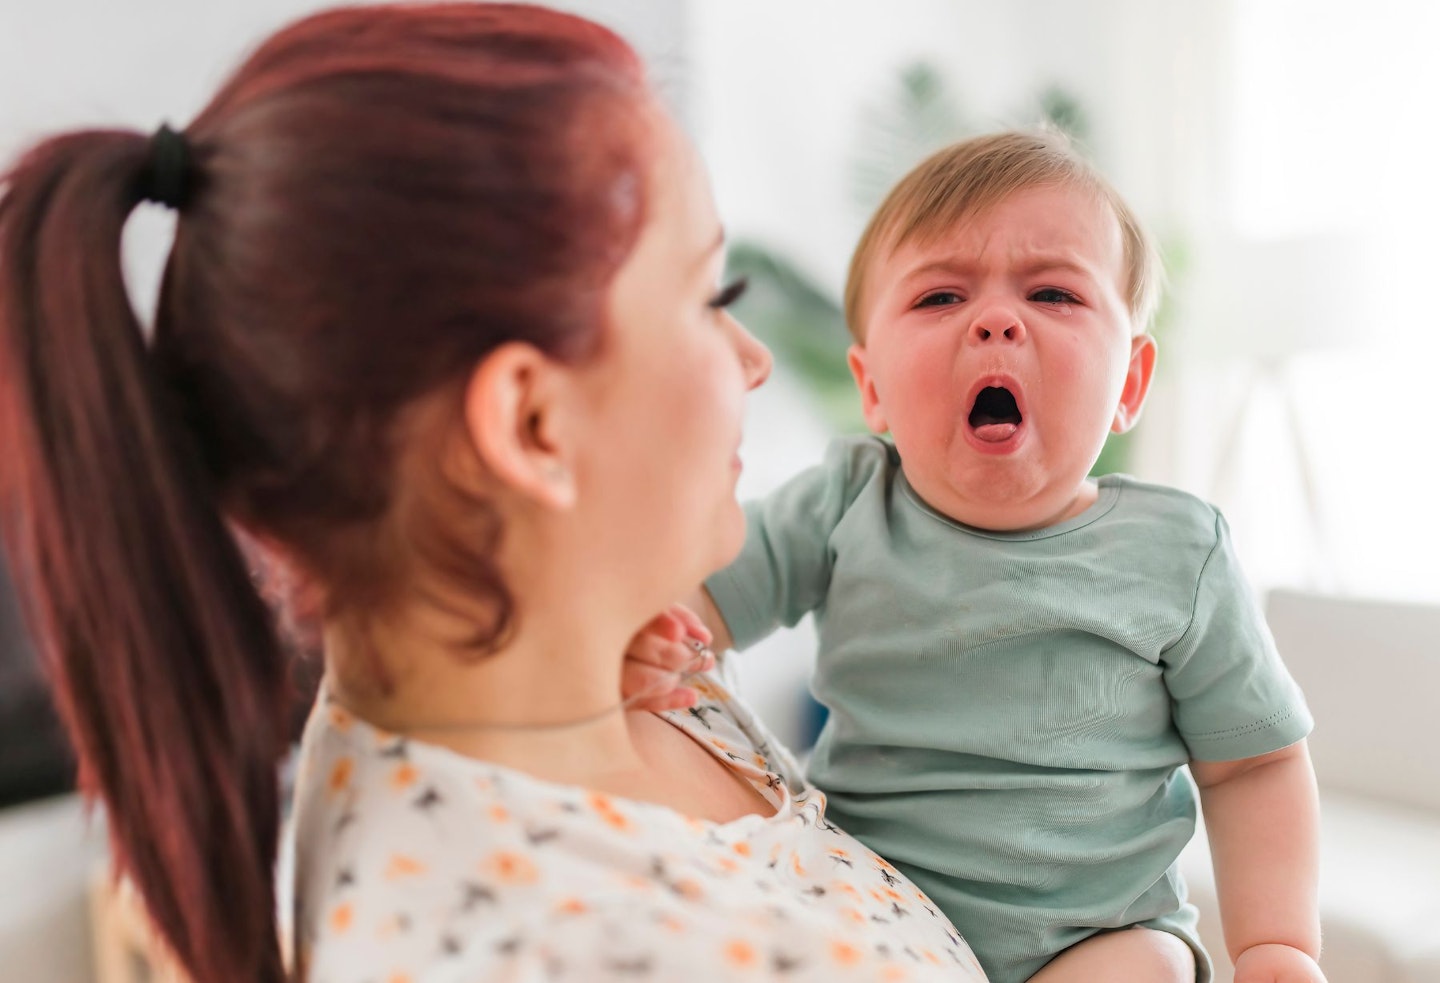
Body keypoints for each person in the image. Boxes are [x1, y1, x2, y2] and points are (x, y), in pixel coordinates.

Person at [0, 5, 990, 983]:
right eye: (709, 298)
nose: (756, 360)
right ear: (530, 425)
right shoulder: (560, 945)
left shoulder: (566, 677)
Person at [635, 131, 1325, 983]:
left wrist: (1277, 944)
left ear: (1132, 385)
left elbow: (1254, 764)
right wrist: (658, 632)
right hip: (871, 909)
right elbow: (702, 595)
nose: (996, 320)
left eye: (1053, 293)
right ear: (873, 387)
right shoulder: (846, 502)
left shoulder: (1178, 552)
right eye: (939, 298)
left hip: (1098, 933)